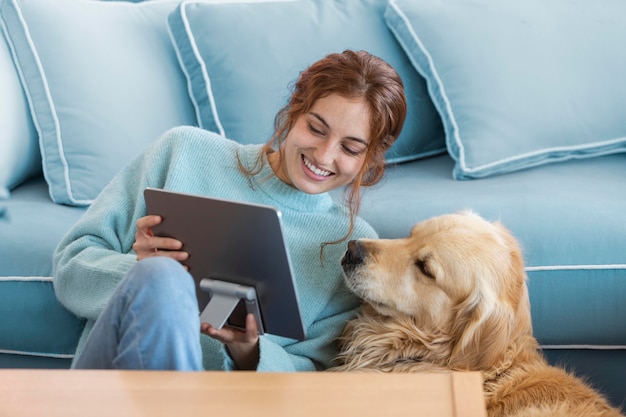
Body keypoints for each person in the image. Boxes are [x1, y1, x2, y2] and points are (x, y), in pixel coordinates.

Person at [53, 49, 407, 371]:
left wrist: (250, 351)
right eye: (315, 128)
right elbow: (71, 268)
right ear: (294, 110)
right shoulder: (183, 152)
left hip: (219, 404)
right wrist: (142, 275)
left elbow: (315, 375)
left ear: (370, 159)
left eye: (350, 148)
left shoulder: (352, 246)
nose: (324, 155)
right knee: (161, 278)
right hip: (110, 387)